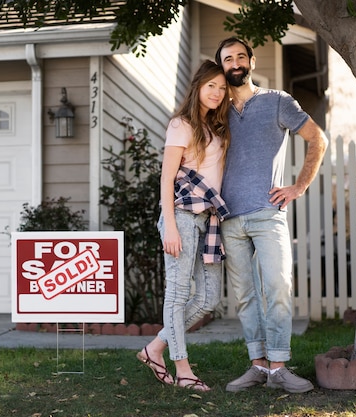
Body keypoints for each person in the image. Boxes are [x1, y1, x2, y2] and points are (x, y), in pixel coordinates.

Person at [215, 36, 328, 394]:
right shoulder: (215, 110)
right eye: (227, 59)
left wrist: (299, 186)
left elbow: (317, 138)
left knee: (278, 287)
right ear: (221, 67)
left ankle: (279, 366)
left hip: (267, 213)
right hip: (229, 218)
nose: (234, 63)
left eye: (239, 57)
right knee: (245, 296)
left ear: (250, 61)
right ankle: (257, 366)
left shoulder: (278, 101)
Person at [136, 60, 231, 392]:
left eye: (222, 88)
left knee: (208, 299)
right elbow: (166, 179)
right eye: (211, 86)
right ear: (197, 87)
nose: (217, 93)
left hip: (209, 222)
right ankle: (183, 371)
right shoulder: (182, 125)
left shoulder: (216, 128)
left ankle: (154, 350)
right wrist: (171, 226)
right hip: (183, 217)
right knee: (176, 296)